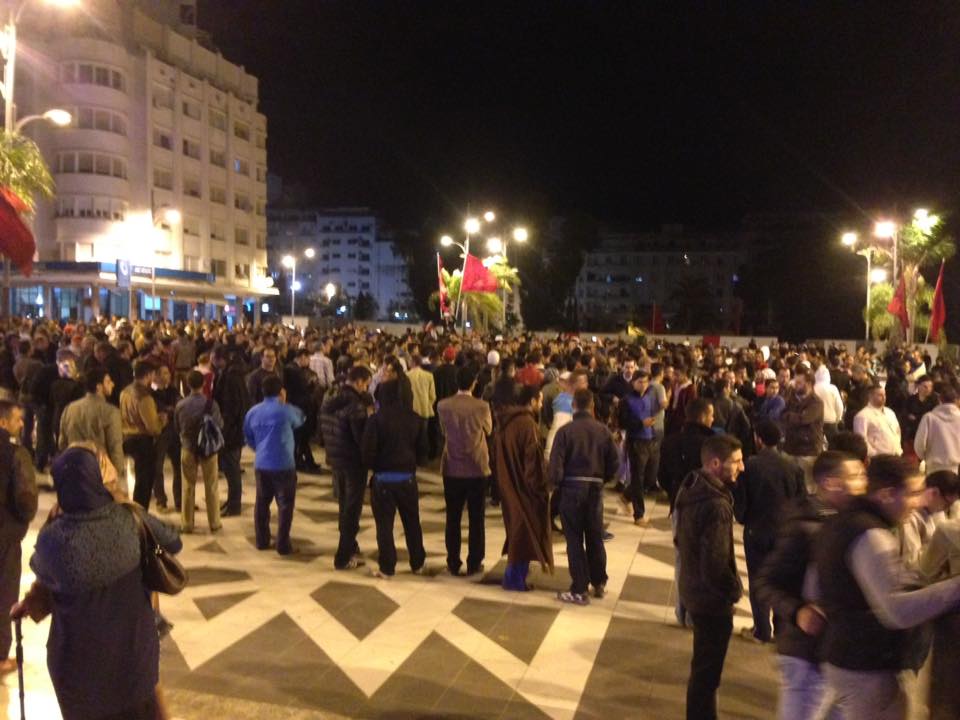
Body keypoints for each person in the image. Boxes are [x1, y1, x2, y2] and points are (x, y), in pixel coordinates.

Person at [13, 446, 181, 720]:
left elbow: (46, 580)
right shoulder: (128, 519)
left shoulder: (52, 539)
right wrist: (122, 503)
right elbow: (173, 541)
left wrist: (28, 606)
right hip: (132, 664)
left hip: (77, 673)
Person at [814, 454, 960, 720]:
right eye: (912, 493)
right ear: (887, 494)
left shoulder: (842, 521)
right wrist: (954, 588)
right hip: (866, 665)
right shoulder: (871, 535)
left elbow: (814, 588)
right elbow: (897, 611)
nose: (918, 502)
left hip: (844, 656)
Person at [754, 450, 866, 720]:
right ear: (830, 483)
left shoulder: (849, 523)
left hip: (837, 651)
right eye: (855, 476)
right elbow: (765, 581)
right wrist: (798, 611)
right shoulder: (804, 526)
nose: (863, 483)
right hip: (805, 653)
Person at [674, 434, 745, 720]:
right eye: (736, 461)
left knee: (702, 669)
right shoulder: (716, 505)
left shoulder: (691, 486)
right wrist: (734, 590)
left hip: (692, 588)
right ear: (716, 463)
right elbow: (715, 563)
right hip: (710, 600)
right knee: (707, 674)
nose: (741, 467)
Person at [733, 420, 805, 644]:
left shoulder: (750, 465)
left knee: (758, 579)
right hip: (785, 532)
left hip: (757, 530)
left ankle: (762, 629)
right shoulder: (793, 466)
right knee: (781, 580)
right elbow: (801, 500)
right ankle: (781, 629)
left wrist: (743, 518)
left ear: (759, 439)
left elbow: (741, 503)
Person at [549, 388, 619, 605]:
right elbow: (614, 463)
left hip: (571, 488)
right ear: (592, 406)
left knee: (574, 539)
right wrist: (603, 479)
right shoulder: (603, 431)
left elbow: (555, 467)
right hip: (595, 489)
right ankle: (599, 581)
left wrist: (557, 484)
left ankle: (579, 588)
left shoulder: (565, 432)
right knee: (595, 536)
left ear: (573, 406)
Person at [361, 379, 428, 577]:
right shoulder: (415, 419)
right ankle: (417, 563)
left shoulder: (376, 420)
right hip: (407, 478)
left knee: (384, 525)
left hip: (383, 479)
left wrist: (376, 466)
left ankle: (387, 567)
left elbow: (367, 453)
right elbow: (423, 453)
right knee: (412, 522)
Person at [493, 384, 553, 591]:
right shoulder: (527, 424)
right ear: (532, 401)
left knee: (519, 532)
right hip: (524, 490)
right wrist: (540, 488)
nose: (542, 404)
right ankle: (514, 579)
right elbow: (532, 463)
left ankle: (515, 577)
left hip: (508, 484)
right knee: (524, 533)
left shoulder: (506, 421)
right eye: (540, 400)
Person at [437, 365, 493, 576]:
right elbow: (489, 429)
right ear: (474, 383)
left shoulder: (443, 405)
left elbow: (444, 431)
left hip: (452, 465)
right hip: (477, 466)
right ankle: (474, 561)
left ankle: (453, 561)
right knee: (476, 518)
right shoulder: (482, 406)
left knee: (453, 517)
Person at [243, 374, 305, 555]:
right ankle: (283, 544)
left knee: (262, 503)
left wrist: (260, 448)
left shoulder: (253, 412)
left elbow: (248, 436)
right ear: (281, 392)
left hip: (262, 463)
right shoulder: (286, 410)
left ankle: (262, 540)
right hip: (284, 464)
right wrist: (284, 402)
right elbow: (301, 418)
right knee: (285, 505)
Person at [321, 365, 374, 570]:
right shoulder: (356, 406)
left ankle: (351, 545)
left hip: (336, 459)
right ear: (359, 382)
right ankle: (343, 557)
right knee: (352, 509)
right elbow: (362, 439)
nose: (366, 388)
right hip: (353, 462)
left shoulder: (330, 400)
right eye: (366, 384)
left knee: (344, 505)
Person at [0, 400, 36, 675]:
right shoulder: (15, 454)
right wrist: (23, 519)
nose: (22, 423)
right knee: (4, 594)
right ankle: (0, 657)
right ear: (3, 422)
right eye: (17, 419)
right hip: (5, 535)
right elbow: (26, 499)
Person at [174, 370, 224, 534]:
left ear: (187, 385)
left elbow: (177, 427)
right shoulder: (211, 404)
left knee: (187, 485)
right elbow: (219, 425)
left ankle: (187, 523)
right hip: (208, 448)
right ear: (203, 383)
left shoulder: (180, 405)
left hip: (188, 447)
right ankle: (214, 522)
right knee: (211, 485)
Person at [59, 366, 125, 484]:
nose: (113, 384)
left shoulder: (70, 408)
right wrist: (117, 472)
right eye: (108, 381)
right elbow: (115, 446)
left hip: (74, 469)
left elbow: (62, 443)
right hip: (100, 472)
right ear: (99, 387)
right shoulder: (110, 412)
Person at [212, 346, 251, 517]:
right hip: (234, 428)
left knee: (232, 469)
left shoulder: (231, 378)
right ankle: (232, 501)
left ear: (221, 359)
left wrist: (224, 429)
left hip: (232, 431)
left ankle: (234, 505)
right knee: (230, 469)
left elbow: (231, 407)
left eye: (213, 358)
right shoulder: (231, 374)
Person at [618, 369, 660, 526]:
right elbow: (622, 422)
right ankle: (639, 514)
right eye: (640, 382)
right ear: (633, 383)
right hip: (636, 441)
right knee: (638, 478)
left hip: (651, 440)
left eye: (646, 381)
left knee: (650, 477)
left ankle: (626, 496)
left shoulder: (650, 397)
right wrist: (641, 424)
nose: (643, 385)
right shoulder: (626, 400)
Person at [120, 359, 164, 510]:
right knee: (144, 483)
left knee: (137, 479)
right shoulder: (144, 396)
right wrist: (163, 420)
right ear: (149, 375)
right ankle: (140, 513)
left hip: (127, 438)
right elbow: (153, 427)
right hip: (142, 442)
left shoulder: (125, 392)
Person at [899, 470, 960, 568]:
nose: (947, 509)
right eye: (947, 504)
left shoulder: (937, 512)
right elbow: (911, 562)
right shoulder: (911, 518)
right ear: (934, 493)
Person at [781, 369, 825, 491]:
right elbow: (782, 414)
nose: (795, 385)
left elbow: (804, 419)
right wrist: (793, 416)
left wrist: (791, 416)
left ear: (809, 384)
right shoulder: (792, 399)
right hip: (790, 448)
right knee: (790, 485)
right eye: (795, 382)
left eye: (799, 383)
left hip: (807, 451)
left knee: (807, 487)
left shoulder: (816, 402)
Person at [151, 364, 182, 511]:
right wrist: (170, 409)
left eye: (168, 373)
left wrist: (169, 410)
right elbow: (157, 409)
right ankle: (160, 500)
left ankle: (180, 500)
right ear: (156, 376)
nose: (167, 376)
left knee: (179, 466)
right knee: (157, 467)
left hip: (175, 431)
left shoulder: (173, 390)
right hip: (160, 433)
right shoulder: (151, 393)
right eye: (164, 373)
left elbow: (179, 406)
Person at [283, 348, 320, 472]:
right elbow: (301, 389)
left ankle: (307, 460)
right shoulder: (293, 370)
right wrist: (311, 385)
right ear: (302, 357)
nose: (309, 362)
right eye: (308, 358)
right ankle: (299, 461)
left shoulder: (295, 369)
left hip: (300, 407)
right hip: (298, 408)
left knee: (302, 437)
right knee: (299, 436)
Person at [913, 383, 960, 475]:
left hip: (933, 466)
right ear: (956, 400)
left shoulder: (929, 418)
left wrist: (924, 457)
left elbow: (919, 444)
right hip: (956, 467)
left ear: (940, 399)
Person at [853, 384, 903, 458]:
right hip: (878, 457)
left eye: (884, 395)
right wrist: (873, 454)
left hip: (896, 454)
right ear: (870, 396)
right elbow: (861, 440)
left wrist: (898, 447)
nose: (884, 397)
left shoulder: (890, 412)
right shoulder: (862, 416)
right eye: (880, 395)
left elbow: (897, 431)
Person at [902, 375, 938, 461]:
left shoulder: (935, 400)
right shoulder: (911, 400)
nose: (928, 389)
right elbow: (906, 415)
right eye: (925, 386)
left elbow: (933, 416)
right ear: (918, 386)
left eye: (930, 386)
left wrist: (916, 418)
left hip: (930, 434)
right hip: (913, 434)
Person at [814, 365, 844, 446]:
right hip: (831, 420)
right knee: (834, 444)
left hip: (816, 421)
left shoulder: (813, 388)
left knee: (816, 444)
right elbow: (839, 406)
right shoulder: (833, 388)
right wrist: (838, 418)